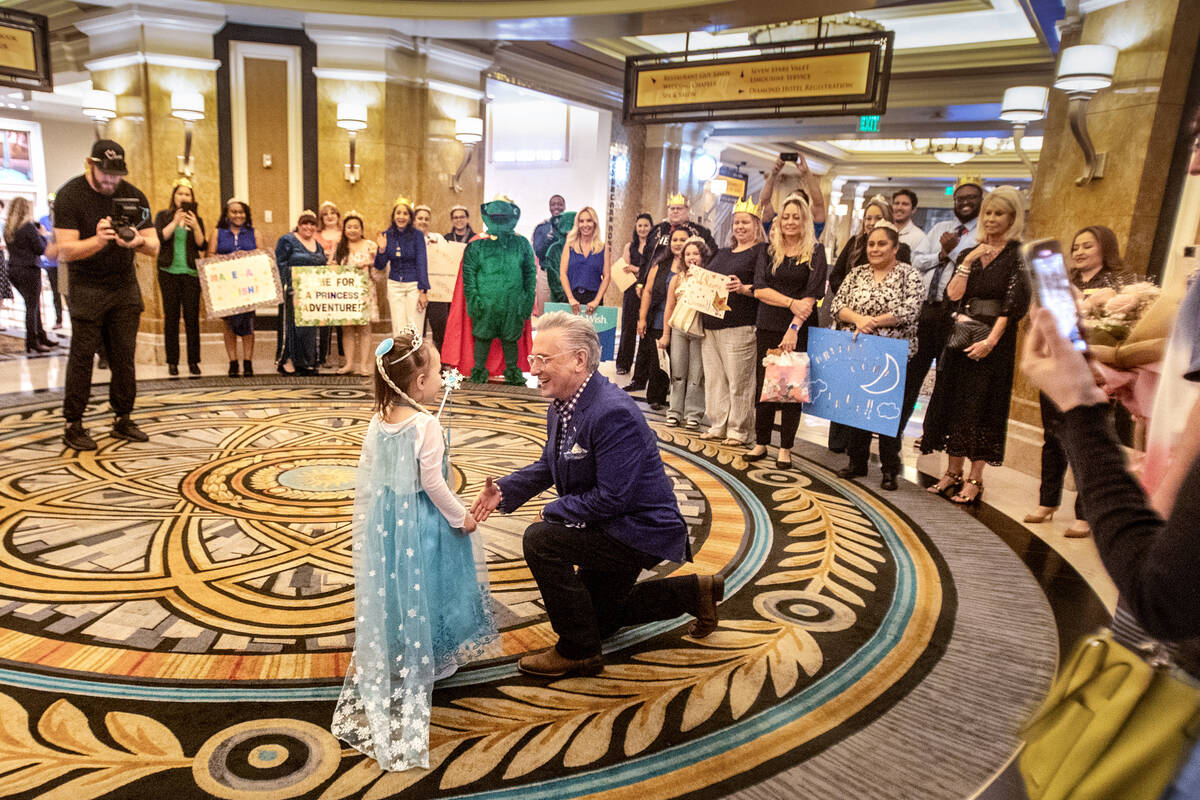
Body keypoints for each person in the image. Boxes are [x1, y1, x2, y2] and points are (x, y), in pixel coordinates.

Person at [469, 311, 724, 678]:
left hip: (637, 529)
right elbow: (549, 464)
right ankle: (693, 593)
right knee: (598, 618)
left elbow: (614, 497)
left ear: (579, 360)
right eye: (533, 358)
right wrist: (506, 491)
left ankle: (578, 651)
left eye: (544, 359)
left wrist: (554, 510)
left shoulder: (611, 412)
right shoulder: (564, 403)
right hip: (608, 523)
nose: (534, 368)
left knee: (541, 539)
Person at [331, 327, 496, 771]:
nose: (443, 377)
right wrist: (461, 517)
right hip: (423, 521)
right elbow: (433, 483)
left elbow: (377, 473)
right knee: (434, 581)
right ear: (419, 384)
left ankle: (405, 643)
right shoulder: (426, 424)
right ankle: (435, 658)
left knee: (399, 583)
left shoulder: (380, 417)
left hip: (388, 519)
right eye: (438, 371)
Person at [921, 186, 1030, 504]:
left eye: (999, 213)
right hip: (961, 338)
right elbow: (953, 295)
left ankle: (974, 478)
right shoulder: (975, 252)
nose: (993, 218)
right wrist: (967, 259)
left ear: (1012, 217)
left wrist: (991, 342)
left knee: (982, 409)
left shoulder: (1017, 255)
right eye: (989, 213)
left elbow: (1013, 306)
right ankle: (951, 472)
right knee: (955, 403)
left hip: (993, 346)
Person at [1024, 225, 1131, 536]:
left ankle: (1085, 513)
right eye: (1076, 247)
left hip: (1093, 373)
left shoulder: (1117, 286)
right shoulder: (1061, 282)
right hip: (1056, 367)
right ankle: (1048, 501)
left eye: (1088, 246)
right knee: (1052, 436)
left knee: (1085, 440)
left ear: (1105, 249)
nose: (1079, 252)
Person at [53, 139, 158, 451]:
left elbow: (154, 246)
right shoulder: (70, 195)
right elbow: (65, 250)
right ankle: (74, 423)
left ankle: (123, 418)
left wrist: (136, 241)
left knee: (124, 356)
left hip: (124, 285)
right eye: (106, 174)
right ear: (91, 164)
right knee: (83, 356)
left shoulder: (134, 195)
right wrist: (98, 241)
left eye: (117, 175)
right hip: (86, 287)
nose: (112, 181)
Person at [829, 222, 923, 490]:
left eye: (882, 244)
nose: (875, 249)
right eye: (871, 244)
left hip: (892, 355)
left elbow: (910, 310)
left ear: (895, 248)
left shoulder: (909, 275)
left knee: (886, 413)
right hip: (857, 351)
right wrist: (860, 319)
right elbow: (837, 305)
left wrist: (873, 321)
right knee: (857, 409)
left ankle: (890, 469)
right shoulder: (857, 273)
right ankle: (857, 461)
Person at [748, 193, 827, 469]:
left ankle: (785, 448)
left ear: (805, 220)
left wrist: (793, 328)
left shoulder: (816, 252)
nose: (790, 221)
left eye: (796, 216)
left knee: (792, 391)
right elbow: (759, 288)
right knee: (765, 387)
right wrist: (789, 302)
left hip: (799, 330)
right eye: (786, 216)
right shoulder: (767, 250)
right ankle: (761, 443)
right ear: (779, 220)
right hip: (768, 325)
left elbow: (812, 294)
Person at [905, 177, 984, 446]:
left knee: (944, 377)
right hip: (927, 310)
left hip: (956, 314)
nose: (964, 203)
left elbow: (973, 268)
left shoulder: (982, 235)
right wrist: (940, 254)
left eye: (971, 198)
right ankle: (896, 426)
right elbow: (917, 260)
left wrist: (952, 252)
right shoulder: (940, 227)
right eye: (960, 198)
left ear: (980, 201)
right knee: (913, 372)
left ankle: (931, 434)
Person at [699, 199, 763, 447]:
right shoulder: (723, 252)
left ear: (756, 225)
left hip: (740, 323)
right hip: (711, 323)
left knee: (740, 380)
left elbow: (764, 284)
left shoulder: (761, 252)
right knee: (715, 379)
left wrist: (744, 288)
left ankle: (739, 429)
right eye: (737, 222)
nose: (740, 227)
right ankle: (718, 424)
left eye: (745, 222)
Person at [459, 196, 536, 385]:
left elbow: (529, 274)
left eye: (503, 217)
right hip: (485, 303)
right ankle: (478, 371)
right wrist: (474, 299)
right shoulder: (477, 245)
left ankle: (512, 371)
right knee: (483, 337)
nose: (500, 220)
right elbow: (468, 276)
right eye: (497, 217)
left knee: (511, 338)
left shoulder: (522, 244)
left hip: (513, 303)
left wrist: (526, 301)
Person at [153, 177, 207, 377]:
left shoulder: (196, 219)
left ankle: (193, 361)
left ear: (192, 198)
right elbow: (159, 238)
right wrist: (175, 222)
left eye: (187, 194)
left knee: (192, 319)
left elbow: (202, 245)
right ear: (174, 196)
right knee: (172, 318)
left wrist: (196, 226)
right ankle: (172, 362)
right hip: (168, 273)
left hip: (191, 274)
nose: (183, 197)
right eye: (180, 194)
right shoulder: (163, 216)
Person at [634, 227, 687, 410]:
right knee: (658, 362)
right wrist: (642, 318)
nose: (678, 243)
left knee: (679, 363)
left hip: (683, 322)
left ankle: (679, 400)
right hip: (658, 318)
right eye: (675, 240)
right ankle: (656, 397)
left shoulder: (695, 266)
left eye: (682, 240)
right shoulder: (660, 265)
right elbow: (647, 291)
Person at [659, 236, 709, 428]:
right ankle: (675, 411)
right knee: (678, 373)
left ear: (703, 256)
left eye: (695, 253)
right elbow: (669, 307)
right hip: (679, 329)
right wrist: (666, 334)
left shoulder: (708, 278)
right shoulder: (677, 279)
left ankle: (693, 413)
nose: (691, 257)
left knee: (697, 375)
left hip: (699, 331)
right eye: (687, 254)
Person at [207, 198, 257, 377]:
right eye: (234, 212)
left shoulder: (253, 232)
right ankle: (233, 362)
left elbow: (262, 255)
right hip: (226, 287)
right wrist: (228, 258)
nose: (238, 215)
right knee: (229, 324)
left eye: (241, 212)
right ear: (227, 214)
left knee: (248, 324)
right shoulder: (218, 232)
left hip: (248, 286)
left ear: (246, 214)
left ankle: (248, 362)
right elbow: (210, 255)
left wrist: (247, 255)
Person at [275, 209, 327, 376]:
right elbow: (280, 264)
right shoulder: (287, 240)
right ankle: (287, 360)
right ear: (298, 225)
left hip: (311, 294)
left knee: (309, 328)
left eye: (312, 224)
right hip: (292, 292)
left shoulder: (317, 244)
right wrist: (286, 286)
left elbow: (322, 267)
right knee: (291, 326)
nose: (308, 227)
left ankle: (306, 361)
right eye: (305, 223)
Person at [5, 197, 57, 353]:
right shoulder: (28, 227)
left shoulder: (9, 228)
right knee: (32, 306)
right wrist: (42, 234)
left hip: (13, 269)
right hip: (29, 269)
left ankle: (41, 336)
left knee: (32, 305)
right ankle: (32, 341)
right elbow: (41, 249)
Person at [374, 196, 429, 338]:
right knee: (399, 327)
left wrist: (423, 291)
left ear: (410, 218)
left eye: (405, 214)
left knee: (414, 326)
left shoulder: (417, 235)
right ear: (393, 216)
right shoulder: (387, 235)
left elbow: (422, 262)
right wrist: (381, 250)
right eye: (398, 213)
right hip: (394, 285)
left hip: (414, 285)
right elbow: (380, 265)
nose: (401, 217)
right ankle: (401, 360)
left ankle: (415, 359)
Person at [333, 211, 378, 376]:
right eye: (349, 227)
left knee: (365, 328)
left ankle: (364, 365)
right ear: (344, 229)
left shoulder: (370, 245)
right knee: (347, 328)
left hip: (365, 291)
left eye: (356, 227)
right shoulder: (340, 247)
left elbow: (380, 265)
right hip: (346, 293)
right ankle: (349, 364)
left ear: (361, 229)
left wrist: (368, 262)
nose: (352, 230)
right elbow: (332, 266)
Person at [616, 212, 653, 375]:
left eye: (646, 225)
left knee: (646, 329)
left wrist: (637, 269)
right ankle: (623, 364)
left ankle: (643, 368)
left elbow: (652, 270)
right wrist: (635, 271)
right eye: (640, 226)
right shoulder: (629, 246)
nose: (643, 229)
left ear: (651, 228)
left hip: (649, 290)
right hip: (631, 290)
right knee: (627, 327)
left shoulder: (655, 247)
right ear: (635, 228)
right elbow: (625, 267)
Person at [644, 193, 718, 277]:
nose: (675, 211)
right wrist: (641, 281)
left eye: (679, 208)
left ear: (687, 210)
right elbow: (646, 257)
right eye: (672, 208)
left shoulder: (701, 232)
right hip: (657, 278)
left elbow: (712, 256)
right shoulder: (657, 230)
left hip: (687, 278)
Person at [759, 154, 827, 239]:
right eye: (791, 199)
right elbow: (764, 202)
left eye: (798, 201)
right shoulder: (775, 222)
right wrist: (773, 174)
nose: (790, 222)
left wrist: (807, 173)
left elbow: (818, 204)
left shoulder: (811, 227)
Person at [413, 204, 452, 350]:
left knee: (440, 326)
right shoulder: (408, 240)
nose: (423, 221)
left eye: (426, 219)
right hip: (415, 289)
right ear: (413, 220)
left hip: (437, 290)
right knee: (417, 328)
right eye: (419, 218)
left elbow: (447, 260)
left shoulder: (438, 238)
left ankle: (441, 361)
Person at [560, 206, 610, 315]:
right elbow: (563, 274)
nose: (585, 225)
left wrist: (596, 300)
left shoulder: (602, 248)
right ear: (577, 224)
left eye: (589, 221)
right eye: (581, 221)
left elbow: (607, 277)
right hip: (572, 299)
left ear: (595, 223)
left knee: (591, 332)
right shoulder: (569, 245)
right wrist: (570, 298)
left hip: (594, 302)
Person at [315, 201, 344, 369]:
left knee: (341, 319)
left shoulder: (344, 234)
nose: (330, 216)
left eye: (333, 213)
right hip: (322, 281)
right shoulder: (316, 235)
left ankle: (342, 355)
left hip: (341, 282)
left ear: (338, 216)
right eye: (326, 214)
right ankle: (323, 356)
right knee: (324, 320)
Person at [38, 194, 63, 330]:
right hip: (51, 263)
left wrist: (47, 235)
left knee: (68, 295)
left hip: (64, 263)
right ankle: (59, 320)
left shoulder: (63, 220)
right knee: (55, 293)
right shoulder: (43, 220)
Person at [532, 193, 566, 266]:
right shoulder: (541, 227)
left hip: (567, 272)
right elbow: (538, 253)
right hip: (546, 273)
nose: (556, 207)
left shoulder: (572, 227)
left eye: (560, 204)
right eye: (553, 205)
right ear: (549, 208)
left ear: (564, 207)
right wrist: (548, 240)